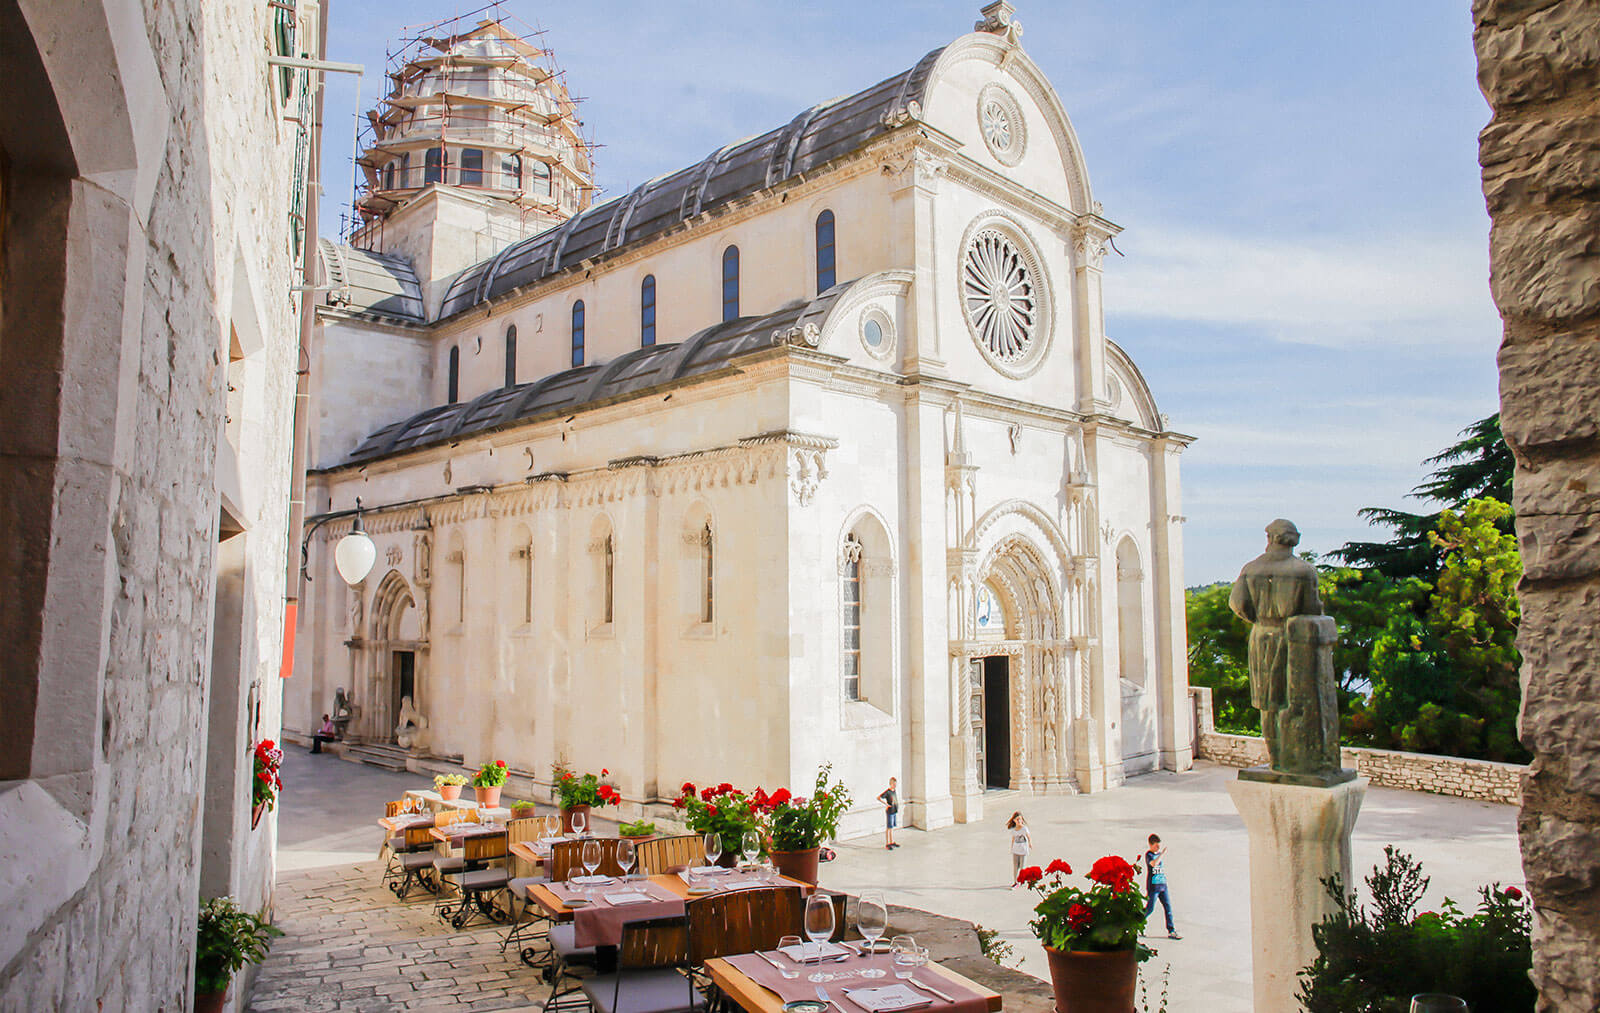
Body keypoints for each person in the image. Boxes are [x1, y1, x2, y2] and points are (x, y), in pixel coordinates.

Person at [1142, 834, 1180, 939]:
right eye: (1156, 846)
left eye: (1159, 846)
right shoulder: (1149, 855)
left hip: (1162, 885)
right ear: (1150, 844)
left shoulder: (1158, 854)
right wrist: (1162, 854)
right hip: (1153, 887)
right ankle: (1137, 924)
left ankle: (1171, 930)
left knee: (1168, 907)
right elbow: (1153, 864)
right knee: (1150, 908)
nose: (1158, 848)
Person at [1007, 812, 1031, 887]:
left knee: (1022, 867)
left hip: (1023, 850)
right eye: (1017, 819)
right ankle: (1015, 882)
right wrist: (1011, 848)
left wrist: (1030, 844)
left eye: (1020, 819)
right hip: (1015, 850)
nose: (1019, 821)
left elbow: (1028, 836)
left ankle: (1021, 880)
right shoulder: (1013, 830)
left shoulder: (1024, 829)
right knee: (1015, 867)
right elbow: (1013, 839)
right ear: (1014, 820)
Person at [877, 777, 900, 849]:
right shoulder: (888, 792)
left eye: (895, 784)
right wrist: (886, 804)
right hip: (890, 811)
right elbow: (879, 797)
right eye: (894, 784)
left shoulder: (894, 791)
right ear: (891, 784)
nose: (895, 785)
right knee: (889, 827)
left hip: (894, 810)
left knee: (892, 827)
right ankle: (887, 843)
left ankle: (892, 841)